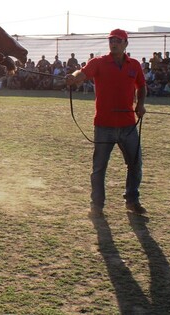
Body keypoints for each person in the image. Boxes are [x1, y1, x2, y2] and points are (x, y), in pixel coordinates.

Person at [65, 29, 147, 217]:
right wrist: (73, 78)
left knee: (135, 164)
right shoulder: (99, 63)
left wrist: (140, 104)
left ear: (126, 44)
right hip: (103, 125)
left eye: (118, 41)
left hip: (128, 125)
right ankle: (97, 205)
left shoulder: (134, 65)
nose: (114, 43)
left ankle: (132, 201)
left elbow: (141, 86)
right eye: (111, 40)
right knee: (99, 168)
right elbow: (82, 73)